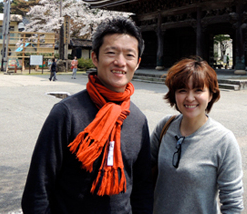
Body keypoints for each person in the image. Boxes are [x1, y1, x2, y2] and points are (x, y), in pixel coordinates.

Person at [22, 17, 153, 214]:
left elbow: (142, 189)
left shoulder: (137, 119)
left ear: (138, 62)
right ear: (95, 57)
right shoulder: (67, 113)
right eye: (111, 53)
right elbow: (38, 190)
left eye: (129, 55)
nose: (120, 62)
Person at [151, 57, 243, 214]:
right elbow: (144, 175)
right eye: (182, 90)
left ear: (211, 95)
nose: (190, 98)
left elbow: (232, 204)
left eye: (198, 90)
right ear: (174, 95)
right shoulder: (165, 127)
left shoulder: (223, 140)